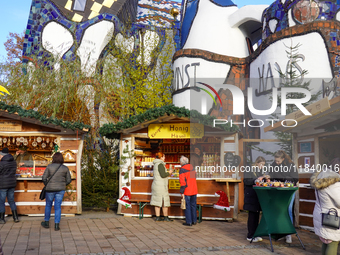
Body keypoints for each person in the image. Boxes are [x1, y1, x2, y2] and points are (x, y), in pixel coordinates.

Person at [310, 158, 340, 255]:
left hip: (322, 215)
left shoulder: (322, 179)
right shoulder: (334, 183)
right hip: (331, 217)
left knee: (326, 241)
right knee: (333, 243)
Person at [270, 150, 298, 244]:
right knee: (279, 210)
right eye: (275, 161)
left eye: (278, 161)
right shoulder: (273, 165)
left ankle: (288, 233)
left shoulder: (291, 165)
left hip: (289, 191)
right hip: (278, 191)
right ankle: (280, 232)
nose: (277, 163)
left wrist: (282, 178)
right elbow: (271, 175)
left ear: (283, 158)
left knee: (288, 210)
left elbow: (295, 178)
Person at [41, 152, 71, 231]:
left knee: (48, 205)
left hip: (50, 189)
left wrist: (47, 184)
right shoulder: (65, 168)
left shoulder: (49, 167)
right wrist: (63, 185)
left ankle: (46, 222)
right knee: (57, 207)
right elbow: (69, 180)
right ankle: (57, 225)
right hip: (60, 190)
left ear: (53, 158)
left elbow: (44, 178)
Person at [244, 156, 268, 242]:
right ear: (257, 163)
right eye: (261, 164)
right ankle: (250, 235)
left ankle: (256, 234)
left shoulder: (261, 171)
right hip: (250, 195)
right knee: (252, 216)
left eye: (263, 165)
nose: (262, 166)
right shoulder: (249, 169)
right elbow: (246, 181)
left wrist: (265, 180)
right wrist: (256, 180)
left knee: (257, 215)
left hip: (257, 196)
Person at [150, 152, 173, 222]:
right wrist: (169, 172)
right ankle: (165, 217)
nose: (164, 158)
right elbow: (163, 175)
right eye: (163, 157)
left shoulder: (156, 164)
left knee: (157, 201)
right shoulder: (160, 164)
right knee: (164, 201)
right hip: (161, 186)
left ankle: (158, 217)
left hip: (156, 185)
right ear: (160, 157)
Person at [0, 147, 20, 224]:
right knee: (11, 200)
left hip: (3, 185)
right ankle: (15, 217)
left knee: (1, 201)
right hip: (12, 184)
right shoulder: (14, 162)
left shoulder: (1, 163)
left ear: (2, 155)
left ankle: (2, 218)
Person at [179, 155, 197, 226]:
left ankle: (189, 222)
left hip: (187, 190)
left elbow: (182, 182)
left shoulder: (182, 170)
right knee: (193, 205)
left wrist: (182, 192)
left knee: (187, 206)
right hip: (194, 189)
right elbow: (194, 178)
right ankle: (194, 220)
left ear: (182, 162)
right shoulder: (192, 168)